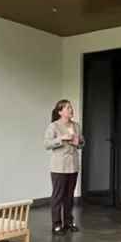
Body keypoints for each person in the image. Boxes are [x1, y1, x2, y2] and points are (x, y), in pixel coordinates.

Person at [44, 100, 85, 235]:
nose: (71, 110)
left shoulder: (76, 126)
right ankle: (56, 225)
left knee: (69, 196)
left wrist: (78, 142)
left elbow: (82, 143)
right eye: (68, 108)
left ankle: (68, 222)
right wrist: (61, 139)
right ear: (60, 112)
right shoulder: (54, 126)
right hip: (59, 167)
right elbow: (47, 144)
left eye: (71, 107)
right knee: (58, 196)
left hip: (73, 166)